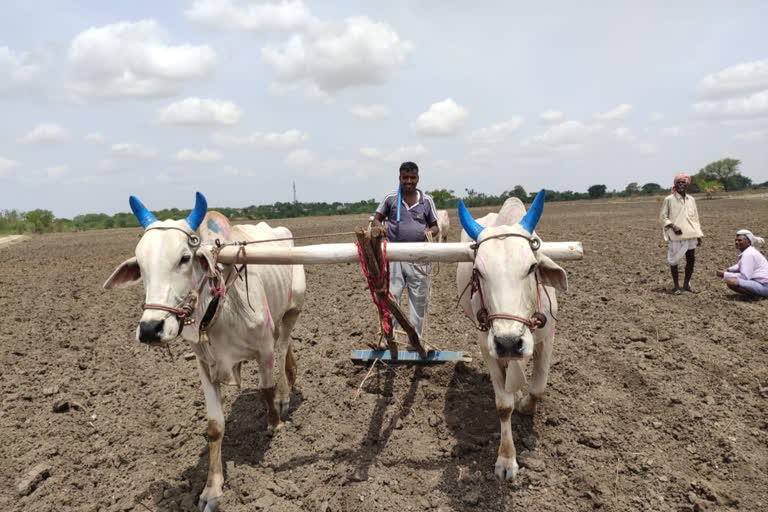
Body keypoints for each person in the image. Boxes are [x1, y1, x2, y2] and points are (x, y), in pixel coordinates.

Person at [373, 161, 439, 348]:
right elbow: (376, 219)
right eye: (405, 178)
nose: (409, 181)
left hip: (418, 257)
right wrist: (380, 227)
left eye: (412, 177)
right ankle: (389, 338)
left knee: (418, 300)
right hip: (393, 256)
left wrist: (430, 232)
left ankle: (414, 341)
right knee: (391, 298)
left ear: (418, 178)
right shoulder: (391, 199)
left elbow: (435, 225)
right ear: (399, 178)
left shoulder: (427, 201)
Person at [659, 173, 704, 295]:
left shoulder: (691, 200)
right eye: (678, 182)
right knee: (674, 261)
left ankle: (686, 285)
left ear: (687, 185)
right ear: (675, 184)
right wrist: (673, 226)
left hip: (691, 235)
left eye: (683, 182)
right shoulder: (669, 199)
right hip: (676, 236)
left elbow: (695, 218)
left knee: (691, 260)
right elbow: (663, 217)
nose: (680, 184)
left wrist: (699, 234)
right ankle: (676, 286)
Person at [716, 230, 768, 298]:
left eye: (740, 240)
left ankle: (757, 297)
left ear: (749, 242)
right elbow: (740, 265)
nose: (736, 242)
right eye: (736, 240)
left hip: (764, 286)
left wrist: (725, 274)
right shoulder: (749, 251)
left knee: (732, 282)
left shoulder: (748, 254)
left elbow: (744, 277)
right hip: (761, 283)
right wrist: (728, 270)